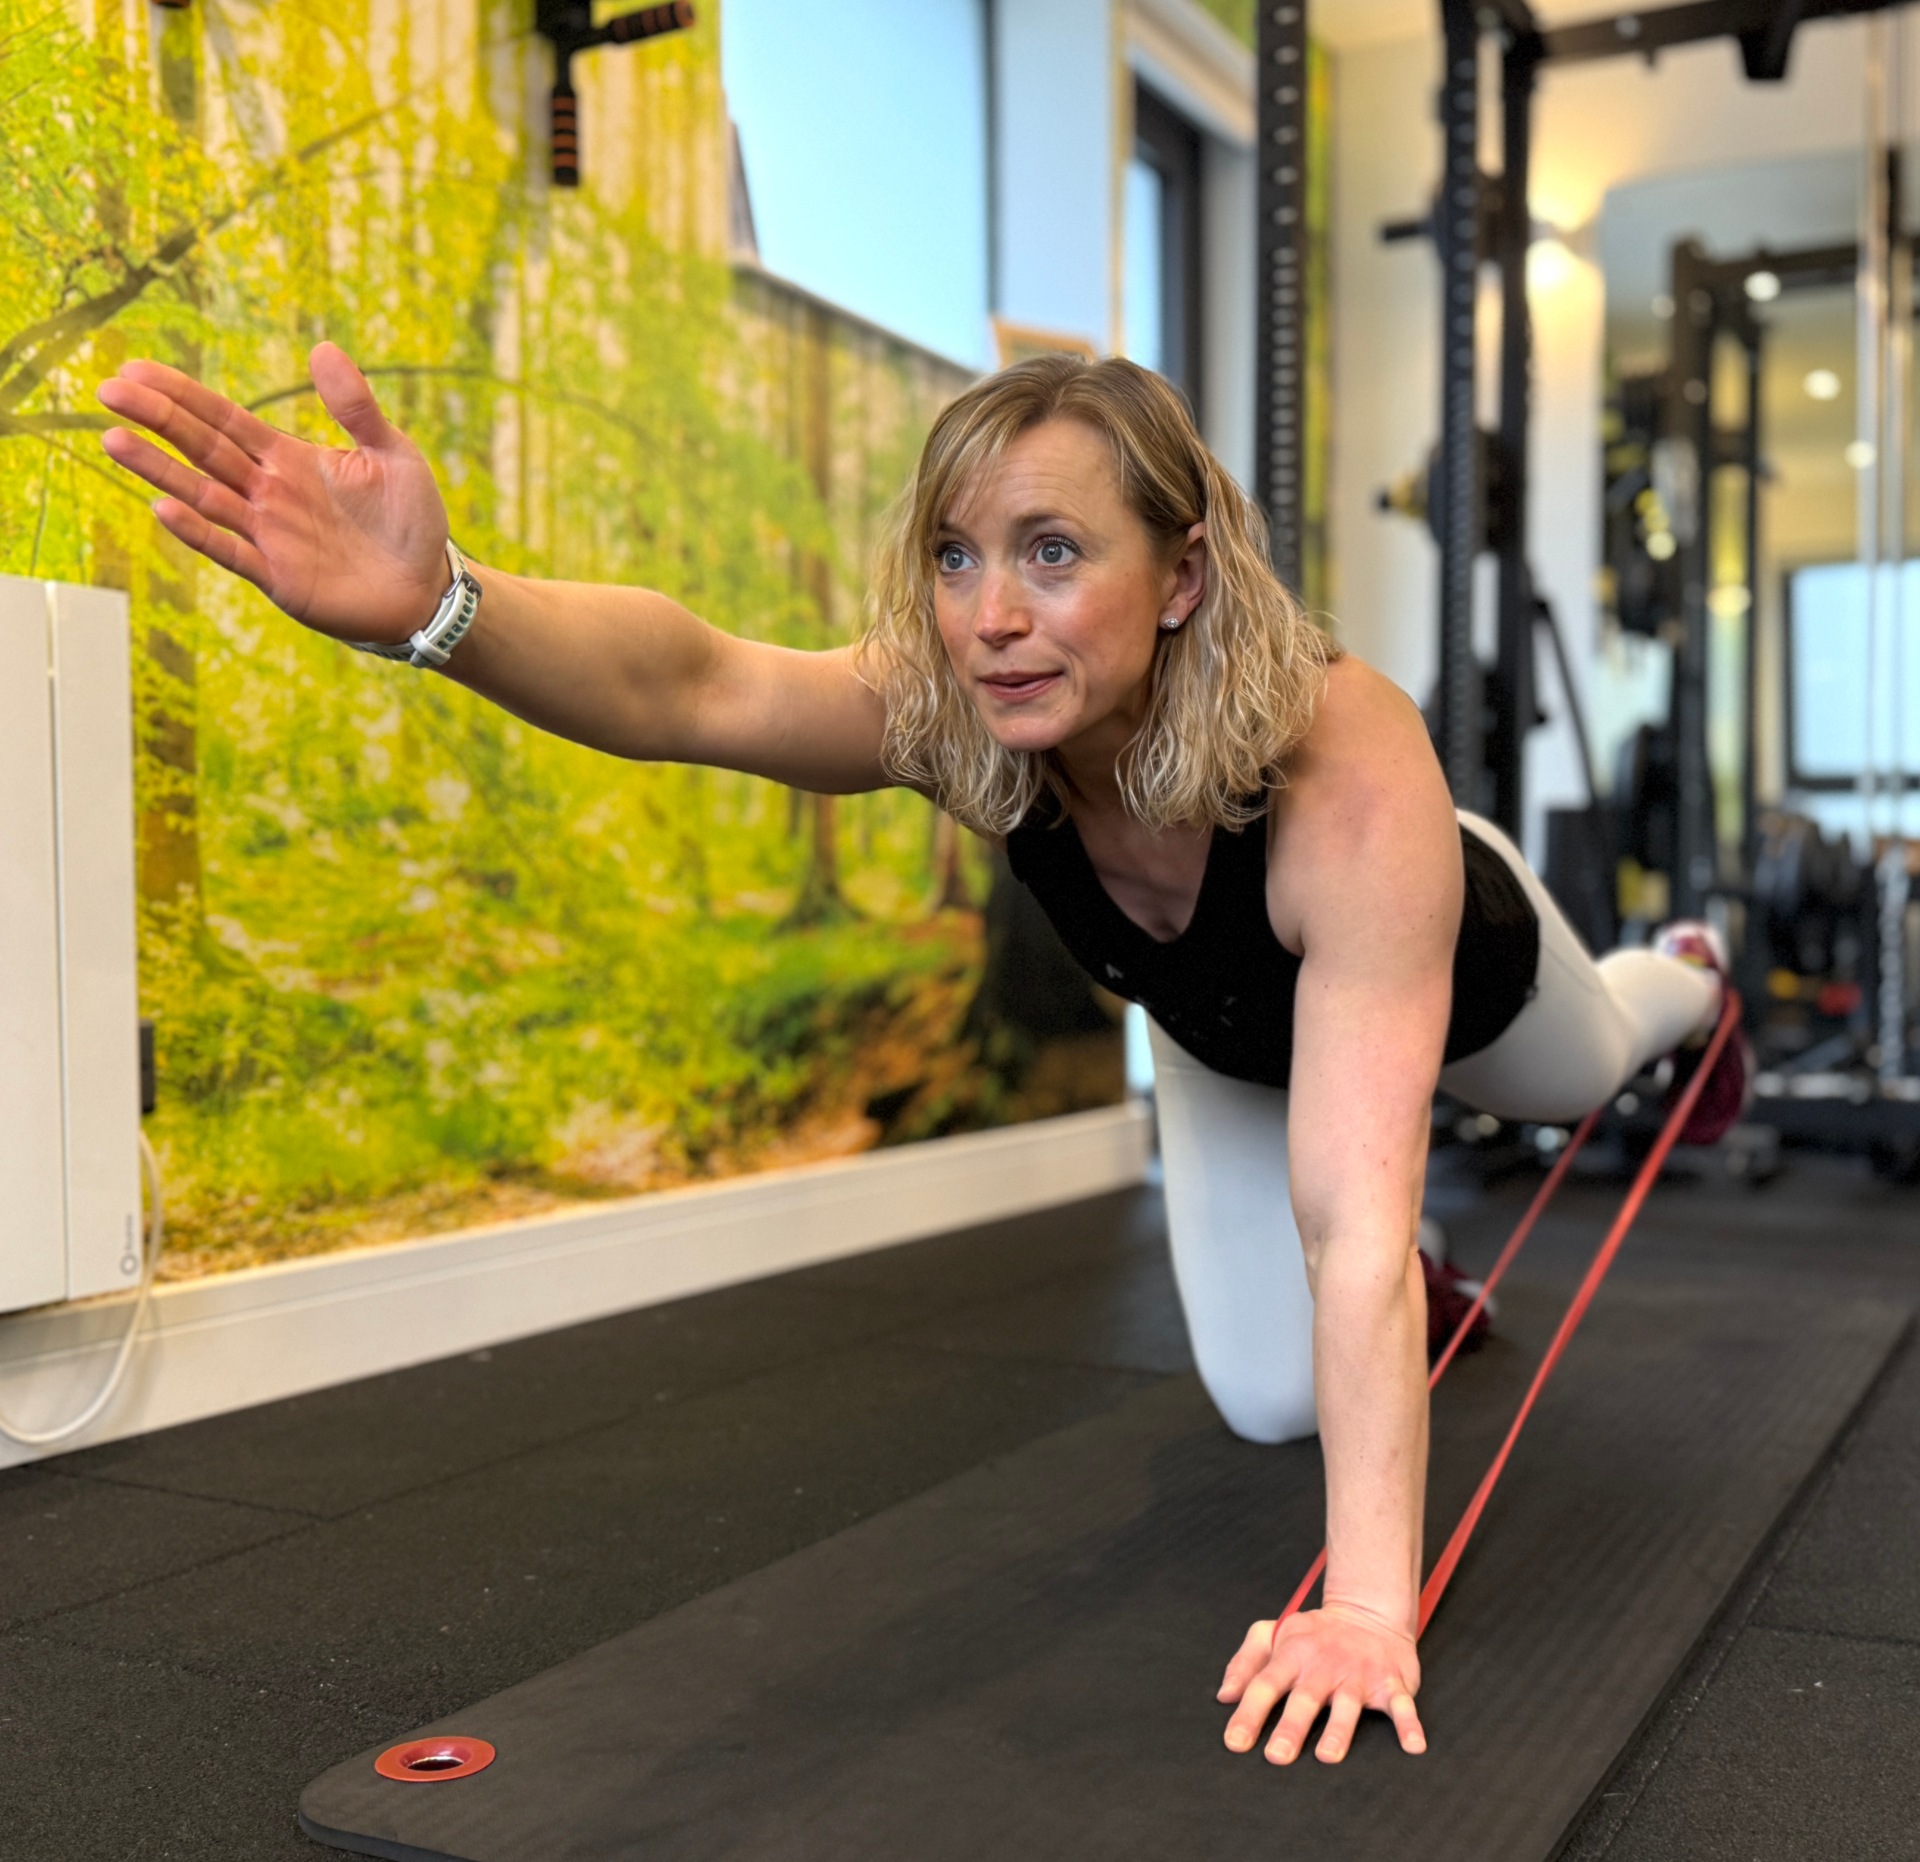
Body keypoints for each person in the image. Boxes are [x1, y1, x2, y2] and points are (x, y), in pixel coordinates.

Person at [98, 346, 1747, 1772]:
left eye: (1053, 551)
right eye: (959, 557)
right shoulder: (970, 712)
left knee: (1587, 1063)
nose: (993, 615)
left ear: (1182, 572)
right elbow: (698, 683)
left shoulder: (1347, 768)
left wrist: (1370, 1610)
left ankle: (1690, 978)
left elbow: (1355, 1219)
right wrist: (442, 607)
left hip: (1462, 974)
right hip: (1222, 1030)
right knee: (1267, 1401)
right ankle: (1420, 1318)